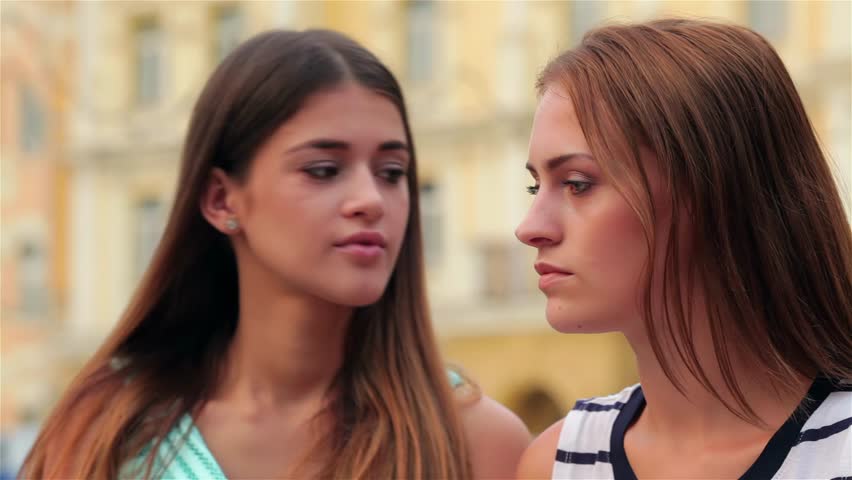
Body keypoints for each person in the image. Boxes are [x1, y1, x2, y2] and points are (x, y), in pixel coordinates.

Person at [21, 29, 529, 479]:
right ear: (221, 200)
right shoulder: (107, 432)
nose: (371, 200)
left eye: (392, 173)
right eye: (324, 170)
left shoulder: (474, 441)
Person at [515, 18, 851, 480]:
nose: (530, 228)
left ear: (714, 191)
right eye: (535, 187)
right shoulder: (558, 462)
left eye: (577, 183)